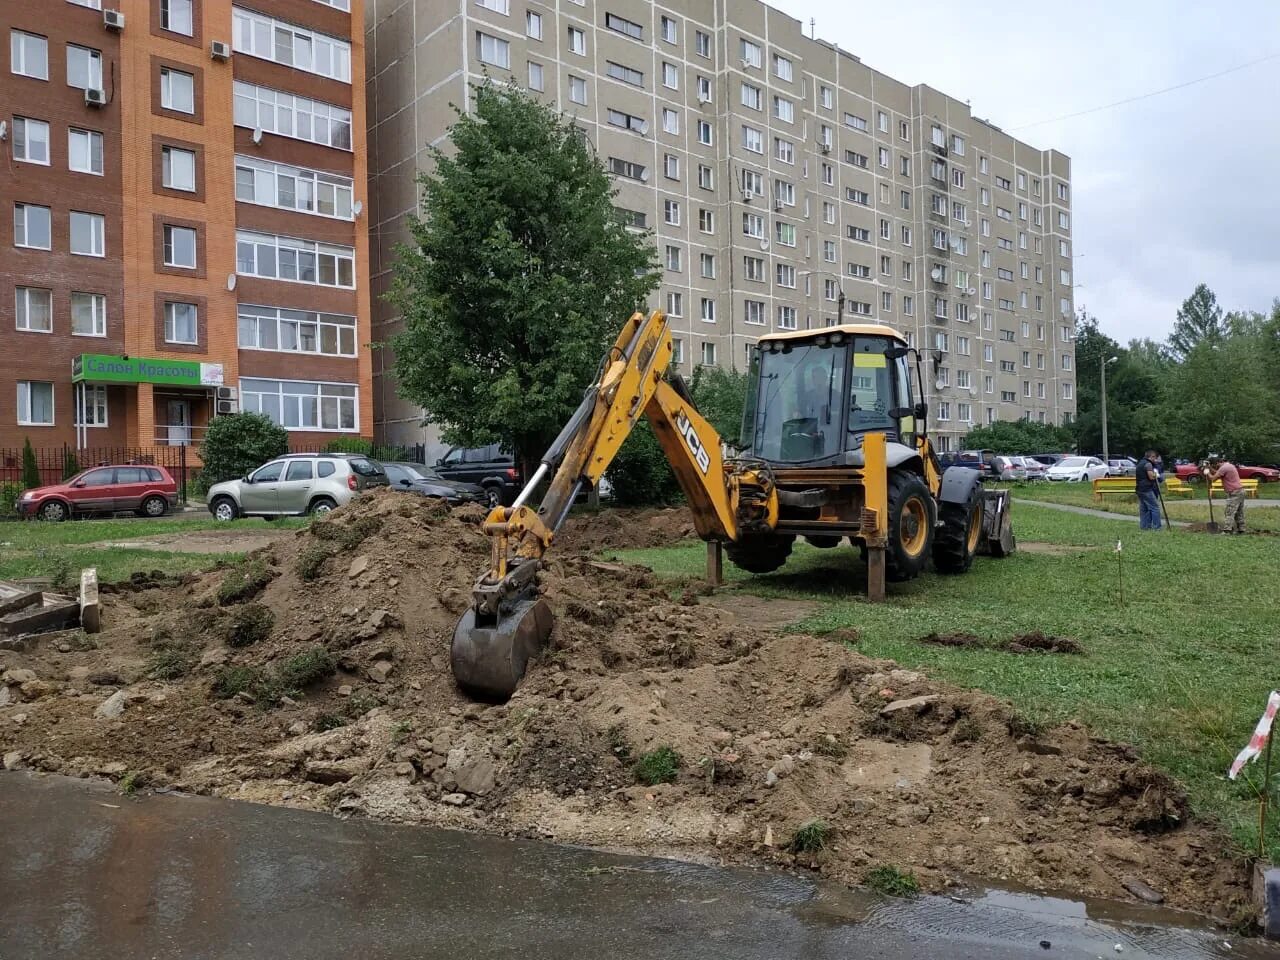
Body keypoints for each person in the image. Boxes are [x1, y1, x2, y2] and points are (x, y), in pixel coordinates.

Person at [1205, 454, 1246, 534]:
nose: (1215, 467)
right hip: (1240, 491)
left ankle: (1227, 530)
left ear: (1217, 463)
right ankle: (1241, 529)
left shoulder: (1224, 468)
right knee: (1239, 512)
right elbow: (1218, 473)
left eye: (1214, 465)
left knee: (1229, 511)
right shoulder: (1228, 466)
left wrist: (1207, 472)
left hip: (1234, 492)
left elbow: (1213, 478)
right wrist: (1209, 468)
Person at [1135, 449, 1162, 530]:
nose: (1155, 460)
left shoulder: (1140, 463)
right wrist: (1156, 475)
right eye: (1154, 458)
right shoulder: (1148, 464)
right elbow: (1150, 476)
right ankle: (1157, 527)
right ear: (1151, 456)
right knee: (1155, 507)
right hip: (1146, 489)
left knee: (1144, 509)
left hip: (1139, 488)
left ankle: (1144, 526)